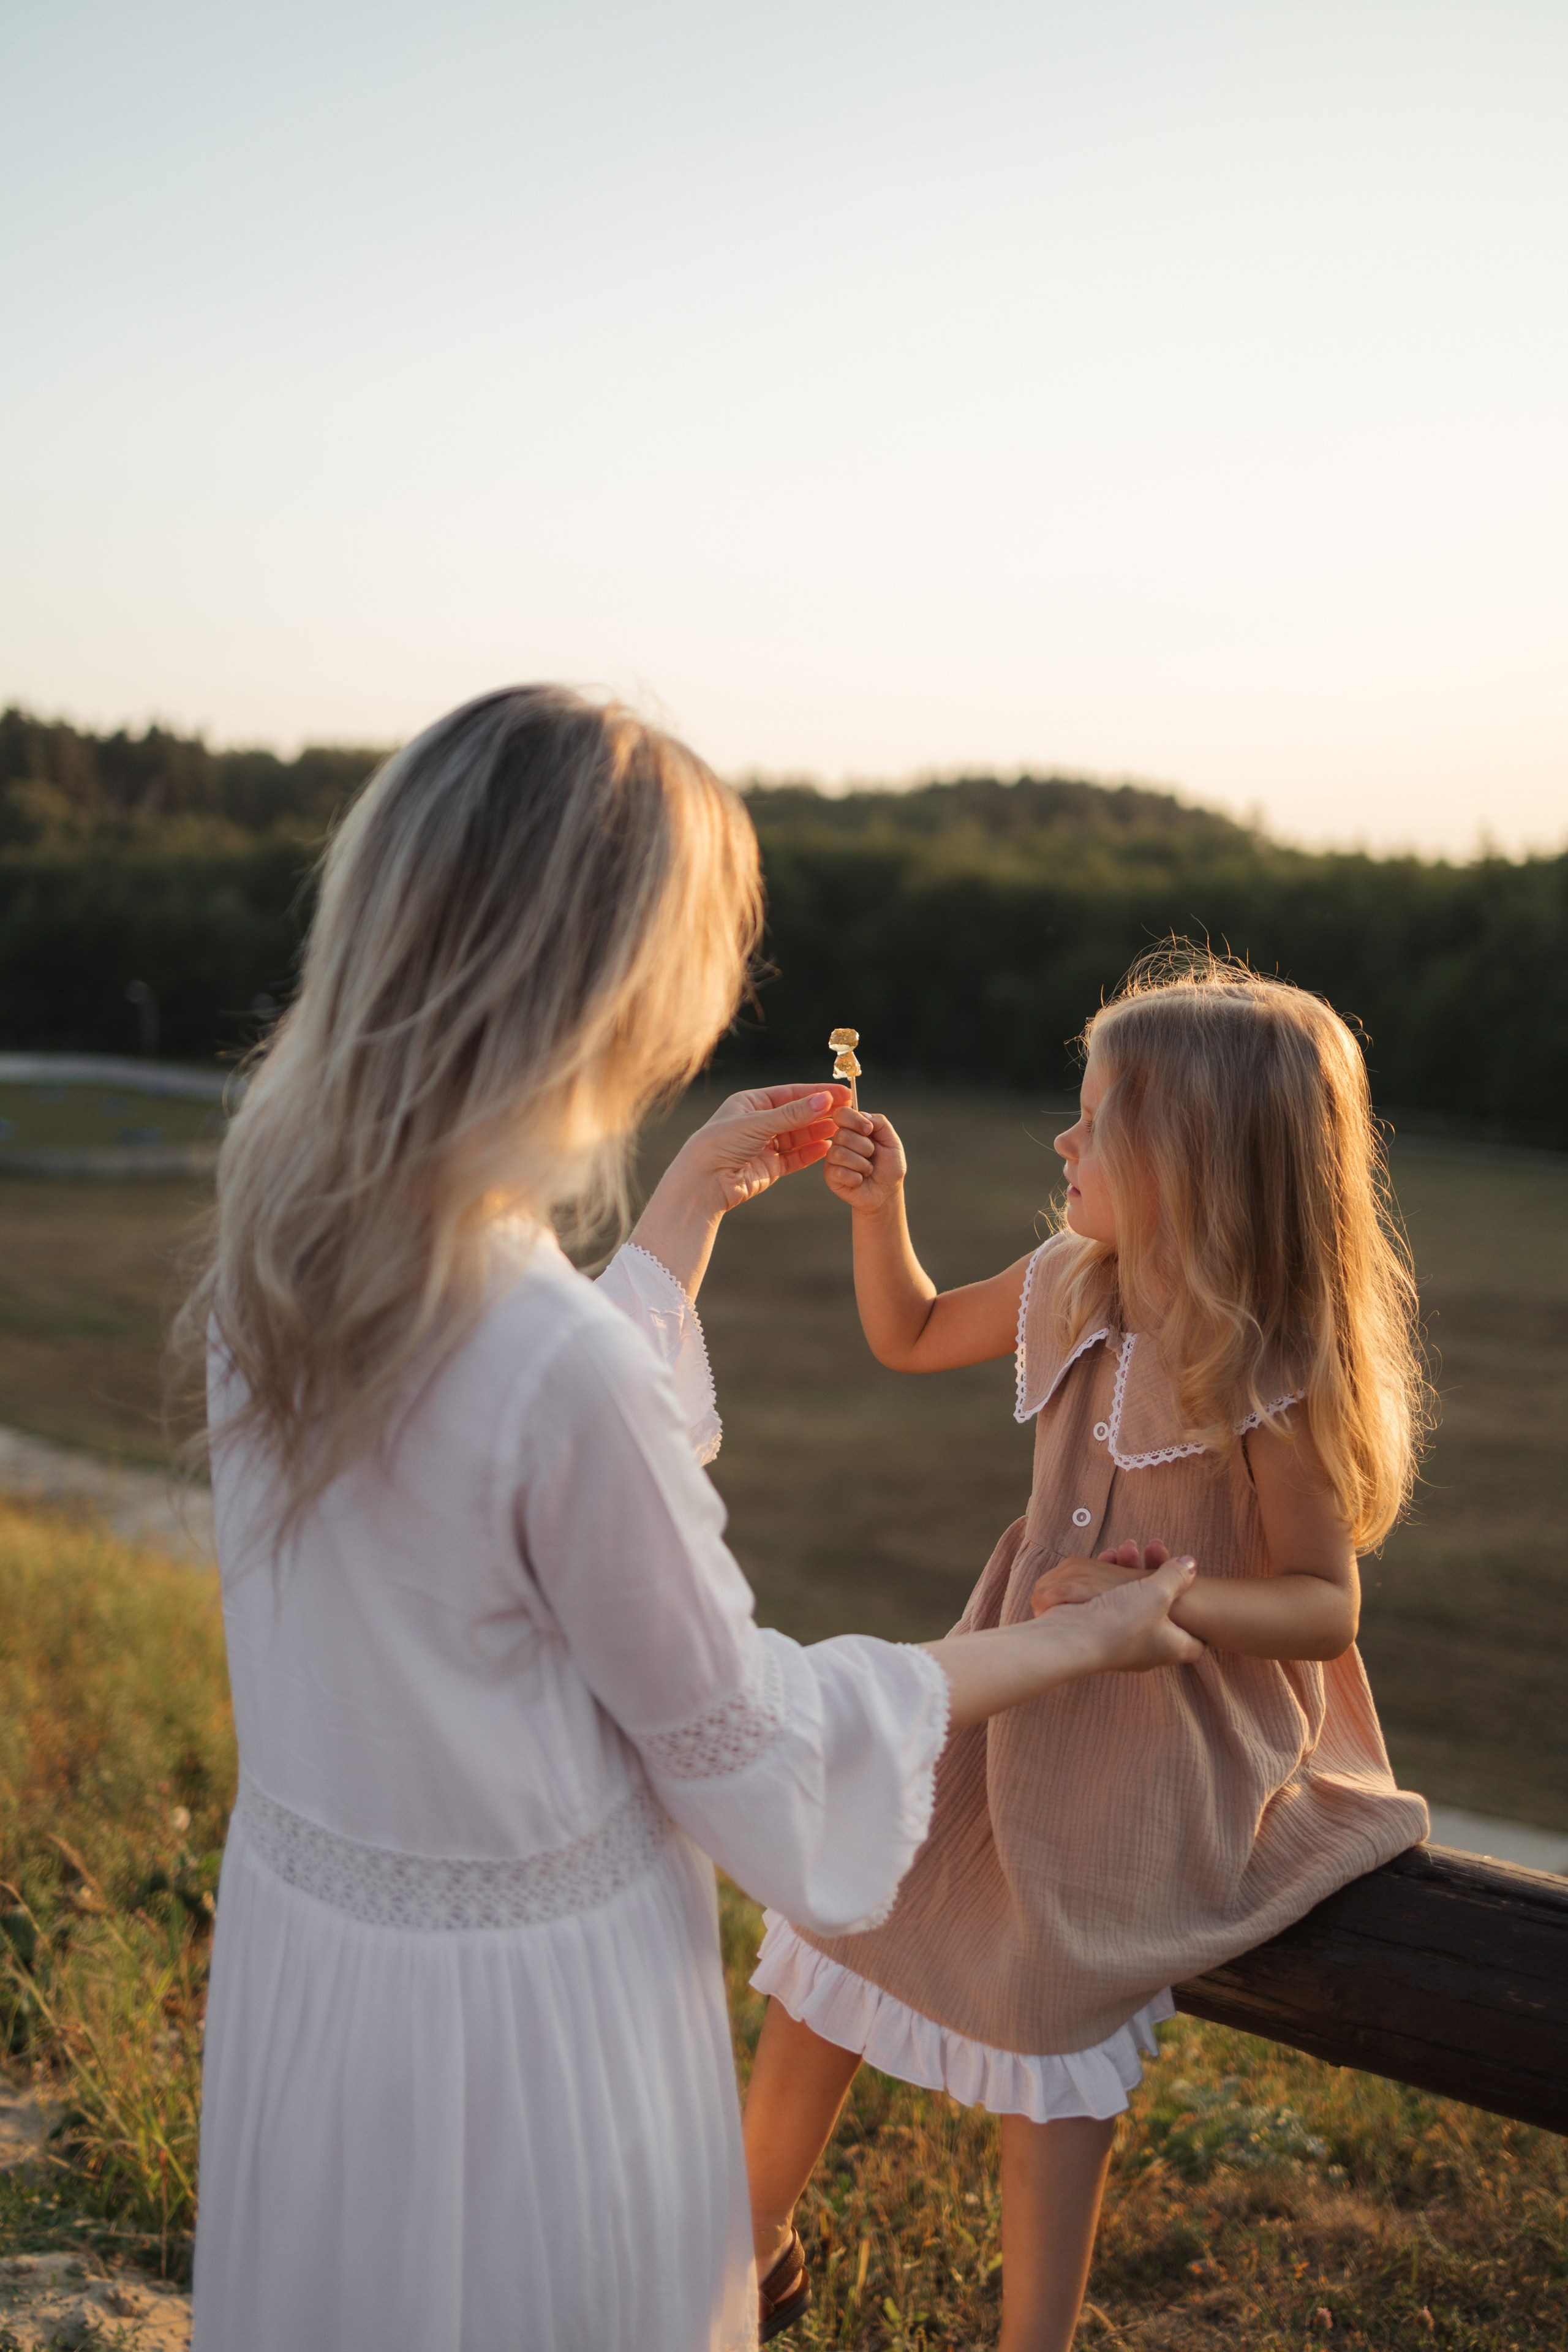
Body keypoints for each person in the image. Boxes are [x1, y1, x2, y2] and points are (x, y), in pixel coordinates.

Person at [178, 687, 1204, 2352]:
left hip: (327, 1990)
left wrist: (667, 1232)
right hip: (520, 2044)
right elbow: (761, 1754)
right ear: (617, 990)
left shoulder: (285, 1258)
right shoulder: (549, 1361)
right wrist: (1069, 1637)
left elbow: (479, 1482)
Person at [743, 951, 1432, 2352]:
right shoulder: (1072, 1282)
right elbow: (912, 1330)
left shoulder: (1266, 1374)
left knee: (1052, 1981)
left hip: (1169, 1734)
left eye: (1094, 1117)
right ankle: (737, 2251)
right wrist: (882, 1214)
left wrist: (1156, 1610)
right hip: (1010, 1684)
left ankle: (1032, 2336)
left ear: (1193, 1162)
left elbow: (1320, 1607)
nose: (1062, 1140)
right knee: (840, 1891)